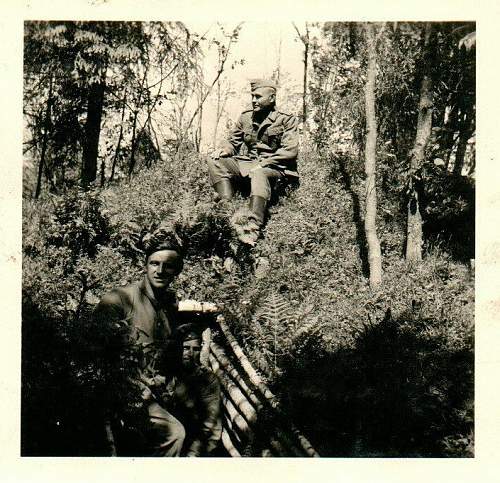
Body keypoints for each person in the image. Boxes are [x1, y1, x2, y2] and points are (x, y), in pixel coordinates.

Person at [93, 235, 219, 456]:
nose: (160, 271)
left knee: (206, 398)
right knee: (174, 434)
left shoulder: (167, 305)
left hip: (157, 384)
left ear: (177, 271)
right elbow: (98, 353)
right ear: (145, 265)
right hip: (127, 388)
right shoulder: (119, 300)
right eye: (154, 263)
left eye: (168, 266)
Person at [207, 79, 299, 245]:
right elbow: (233, 141)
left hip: (277, 170)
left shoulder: (286, 119)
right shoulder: (246, 117)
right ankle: (226, 205)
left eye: (258, 96)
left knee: (259, 172)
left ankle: (253, 225)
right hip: (250, 164)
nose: (254, 100)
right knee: (214, 159)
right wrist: (225, 149)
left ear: (272, 98)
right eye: (252, 96)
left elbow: (289, 151)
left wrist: (263, 164)